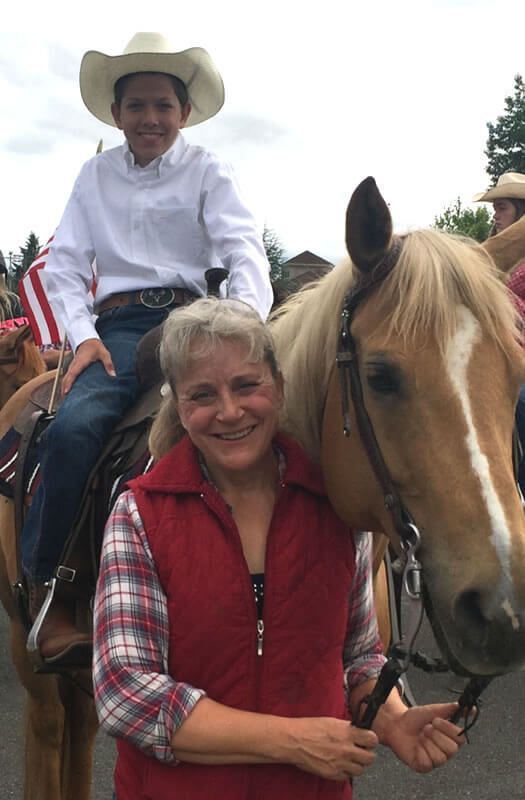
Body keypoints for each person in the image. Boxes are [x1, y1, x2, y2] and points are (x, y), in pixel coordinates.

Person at [93, 297, 465, 800]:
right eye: (202, 395)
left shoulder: (337, 510)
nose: (229, 412)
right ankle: (53, 587)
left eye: (247, 385)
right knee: (73, 433)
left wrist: (392, 717)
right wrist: (294, 742)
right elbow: (125, 693)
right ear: (179, 407)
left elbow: (358, 658)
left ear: (280, 386)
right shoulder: (139, 515)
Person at [22, 32, 274, 664]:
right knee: (72, 430)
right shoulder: (93, 176)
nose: (150, 118)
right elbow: (65, 266)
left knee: (274, 424)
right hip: (120, 327)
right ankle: (54, 592)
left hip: (199, 320)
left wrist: (246, 328)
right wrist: (82, 337)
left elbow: (243, 250)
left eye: (163, 105)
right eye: (136, 105)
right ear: (116, 114)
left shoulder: (210, 171)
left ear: (184, 112)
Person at [474, 172, 525, 490]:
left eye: (502, 207)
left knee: (520, 401)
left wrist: (494, 295)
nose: (495, 215)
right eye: (495, 208)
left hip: (520, 357)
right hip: (496, 354)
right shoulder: (488, 256)